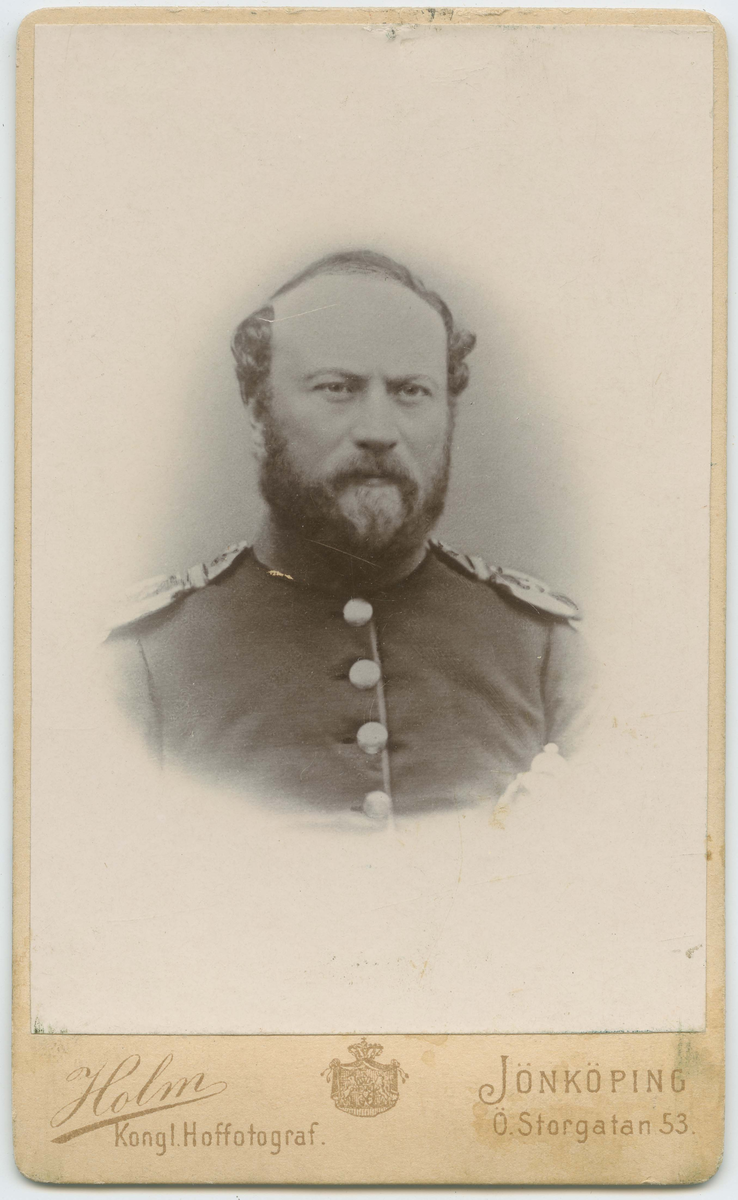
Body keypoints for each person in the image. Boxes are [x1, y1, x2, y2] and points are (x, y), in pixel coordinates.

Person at [106, 250, 593, 821]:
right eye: (337, 388)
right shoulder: (145, 663)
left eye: (411, 391)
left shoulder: (547, 655)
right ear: (258, 413)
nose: (379, 431)